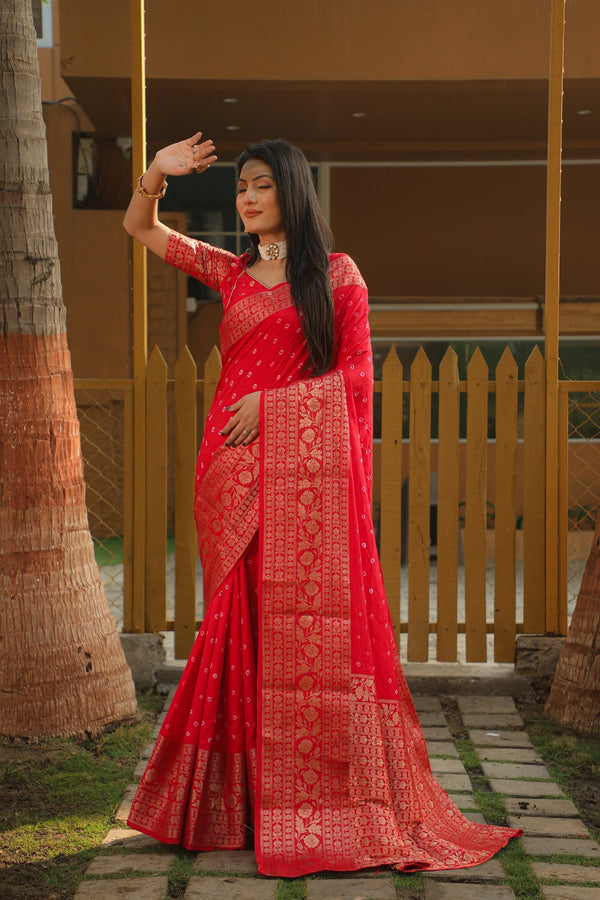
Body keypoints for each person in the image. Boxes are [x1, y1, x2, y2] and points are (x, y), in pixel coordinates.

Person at [123, 133, 520, 877]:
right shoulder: (231, 272)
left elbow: (359, 377)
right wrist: (155, 173)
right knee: (236, 626)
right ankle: (236, 804)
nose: (247, 198)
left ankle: (314, 800)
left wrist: (275, 407)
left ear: (293, 191)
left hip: (298, 474)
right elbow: (141, 229)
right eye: (241, 186)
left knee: (303, 632)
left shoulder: (337, 275)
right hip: (230, 468)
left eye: (262, 185)